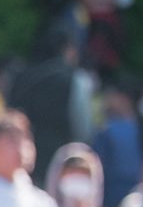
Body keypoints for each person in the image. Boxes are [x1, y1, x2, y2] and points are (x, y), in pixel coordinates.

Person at [10, 21, 90, 187]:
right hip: (62, 164)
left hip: (24, 160)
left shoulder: (21, 77)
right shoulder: (75, 79)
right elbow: (83, 128)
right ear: (67, 48)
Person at [91, 78, 143, 207]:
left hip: (111, 192)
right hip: (138, 192)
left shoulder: (107, 130)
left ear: (123, 99)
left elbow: (95, 164)